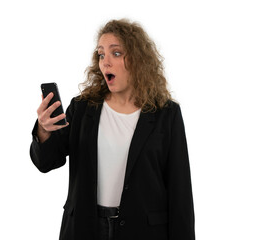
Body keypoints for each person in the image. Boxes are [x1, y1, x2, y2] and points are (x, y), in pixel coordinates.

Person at [30, 19, 195, 240]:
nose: (105, 62)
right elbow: (47, 162)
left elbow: (179, 191)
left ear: (138, 60)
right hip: (85, 228)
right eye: (101, 54)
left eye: (116, 53)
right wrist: (44, 130)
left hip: (143, 231)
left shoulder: (166, 114)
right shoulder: (82, 108)